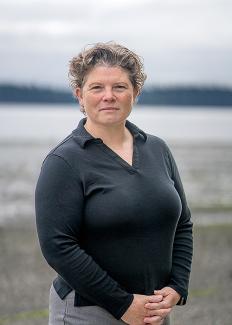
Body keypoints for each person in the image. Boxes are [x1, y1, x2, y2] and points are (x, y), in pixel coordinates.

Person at [35, 42, 193, 325]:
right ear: (79, 96)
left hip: (152, 310)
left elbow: (183, 224)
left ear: (135, 93)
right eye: (97, 88)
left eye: (119, 87)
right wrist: (123, 304)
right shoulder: (64, 161)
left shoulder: (157, 149)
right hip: (88, 311)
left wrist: (177, 286)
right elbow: (58, 246)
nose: (108, 96)